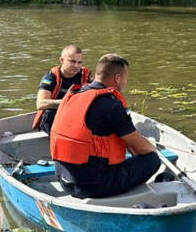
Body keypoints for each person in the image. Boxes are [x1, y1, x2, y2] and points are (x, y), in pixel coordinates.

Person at [50, 54, 161, 199]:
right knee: (152, 159)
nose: (126, 81)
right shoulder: (112, 106)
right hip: (94, 187)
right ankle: (127, 197)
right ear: (117, 78)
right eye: (126, 77)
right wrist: (153, 148)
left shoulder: (75, 95)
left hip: (65, 181)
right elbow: (141, 148)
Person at [35, 45, 92, 134]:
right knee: (49, 114)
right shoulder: (50, 78)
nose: (76, 66)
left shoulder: (85, 76)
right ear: (62, 60)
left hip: (74, 115)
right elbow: (40, 104)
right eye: (72, 61)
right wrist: (69, 102)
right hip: (55, 116)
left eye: (79, 62)